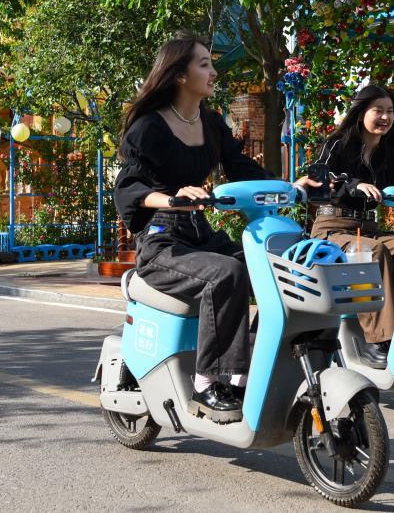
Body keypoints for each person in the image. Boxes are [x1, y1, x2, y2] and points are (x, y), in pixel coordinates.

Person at [114, 31, 312, 423]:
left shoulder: (211, 123)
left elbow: (243, 169)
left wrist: (291, 186)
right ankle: (208, 385)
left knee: (282, 268)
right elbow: (128, 187)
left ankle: (254, 364)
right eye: (204, 64)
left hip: (199, 234)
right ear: (179, 75)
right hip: (162, 241)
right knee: (227, 273)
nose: (213, 72)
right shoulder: (149, 127)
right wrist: (170, 198)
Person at [305, 84, 394, 366]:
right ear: (361, 112)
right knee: (374, 252)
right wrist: (353, 184)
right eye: (378, 110)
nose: (385, 117)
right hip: (332, 229)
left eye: (390, 111)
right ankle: (379, 340)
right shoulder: (337, 144)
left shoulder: (389, 152)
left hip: (369, 229)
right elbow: (320, 176)